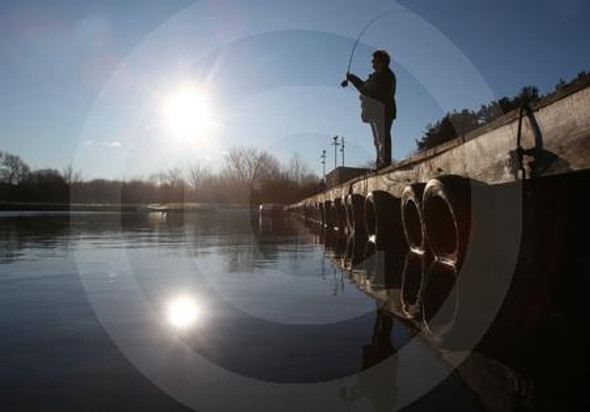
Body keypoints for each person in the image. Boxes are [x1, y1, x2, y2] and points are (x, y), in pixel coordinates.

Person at [346, 50, 397, 170]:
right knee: (379, 140)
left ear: (380, 61)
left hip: (382, 111)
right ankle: (381, 163)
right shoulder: (380, 75)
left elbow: (366, 90)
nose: (372, 63)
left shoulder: (384, 75)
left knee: (382, 138)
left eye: (374, 60)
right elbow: (365, 87)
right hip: (378, 112)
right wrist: (352, 78)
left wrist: (352, 79)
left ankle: (384, 163)